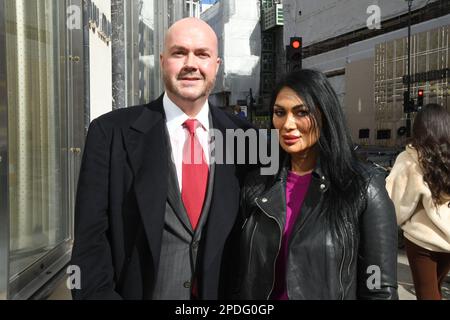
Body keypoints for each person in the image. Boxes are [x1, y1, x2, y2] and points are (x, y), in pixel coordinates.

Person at [70, 17, 253, 300]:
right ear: (162, 60)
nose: (190, 63)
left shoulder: (245, 137)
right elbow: (90, 243)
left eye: (202, 54)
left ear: (216, 65)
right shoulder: (109, 133)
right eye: (179, 53)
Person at [229, 69, 398, 299]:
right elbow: (239, 275)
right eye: (280, 112)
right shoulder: (256, 185)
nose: (288, 124)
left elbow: (378, 286)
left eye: (302, 112)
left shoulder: (363, 188)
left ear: (325, 115)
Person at [386, 103, 450, 300]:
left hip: (422, 241)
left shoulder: (409, 158)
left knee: (427, 295)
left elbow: (395, 203)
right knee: (436, 289)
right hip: (448, 240)